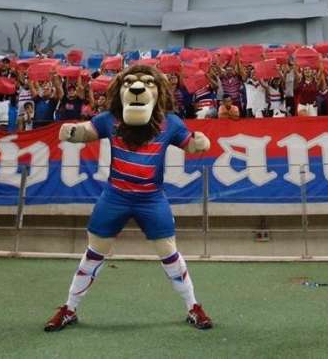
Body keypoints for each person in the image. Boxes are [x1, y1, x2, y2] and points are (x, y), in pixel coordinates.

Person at [45, 67, 213, 332]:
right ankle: (69, 308)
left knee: (169, 253)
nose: (137, 88)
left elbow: (189, 144)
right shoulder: (110, 120)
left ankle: (193, 307)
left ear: (159, 91)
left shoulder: (169, 122)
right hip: (115, 196)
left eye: (147, 83)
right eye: (130, 82)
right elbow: (87, 131)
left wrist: (198, 143)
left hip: (151, 199)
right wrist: (74, 132)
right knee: (94, 253)